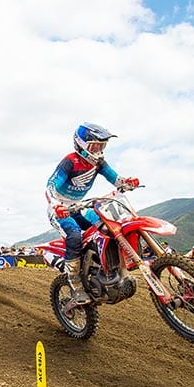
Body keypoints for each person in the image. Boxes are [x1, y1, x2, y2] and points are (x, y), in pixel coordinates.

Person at [46, 122, 138, 303]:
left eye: (102, 146)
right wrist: (56, 205)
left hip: (80, 207)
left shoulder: (99, 163)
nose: (98, 150)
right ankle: (75, 283)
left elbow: (116, 179)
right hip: (60, 210)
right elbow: (50, 187)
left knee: (108, 227)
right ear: (82, 144)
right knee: (74, 236)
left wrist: (127, 182)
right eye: (95, 146)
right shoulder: (70, 161)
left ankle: (105, 269)